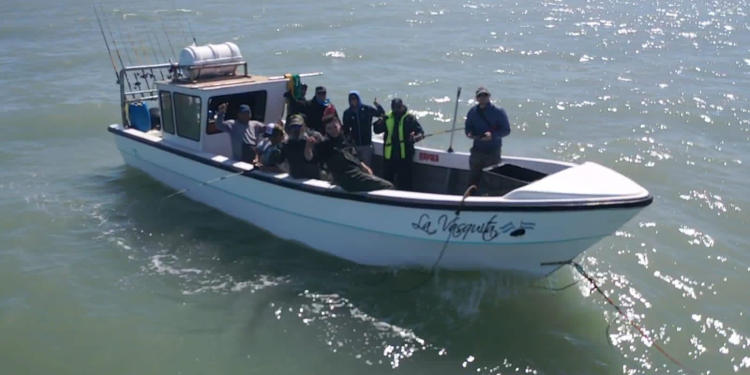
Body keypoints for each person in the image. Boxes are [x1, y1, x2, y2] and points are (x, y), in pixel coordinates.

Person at [311, 115, 393, 192]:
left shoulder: (346, 140)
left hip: (357, 173)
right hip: (346, 179)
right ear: (325, 130)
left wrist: (364, 167)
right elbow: (313, 160)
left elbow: (355, 157)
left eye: (335, 127)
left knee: (381, 181)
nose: (333, 131)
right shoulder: (324, 145)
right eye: (329, 128)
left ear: (339, 126)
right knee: (389, 186)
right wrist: (309, 145)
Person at [464, 86, 511, 189]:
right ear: (476, 98)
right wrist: (470, 134)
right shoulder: (472, 112)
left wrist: (492, 136)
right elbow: (468, 128)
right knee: (473, 178)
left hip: (493, 152)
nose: (483, 98)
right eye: (480, 96)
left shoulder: (498, 111)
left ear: (489, 96)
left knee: (492, 180)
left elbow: (506, 130)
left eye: (485, 95)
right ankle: (470, 198)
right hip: (477, 151)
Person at [373, 98, 424, 190]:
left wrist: (415, 138)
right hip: (389, 157)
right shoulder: (388, 117)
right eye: (394, 108)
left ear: (402, 107)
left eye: (398, 108)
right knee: (387, 182)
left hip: (404, 157)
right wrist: (380, 120)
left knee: (405, 183)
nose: (396, 111)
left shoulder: (410, 118)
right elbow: (376, 130)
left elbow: (421, 133)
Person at [342, 91, 385, 166]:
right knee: (355, 166)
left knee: (366, 167)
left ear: (358, 99)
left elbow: (381, 114)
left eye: (355, 98)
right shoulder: (347, 113)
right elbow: (346, 129)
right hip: (354, 145)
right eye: (351, 99)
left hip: (366, 144)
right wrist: (348, 143)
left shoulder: (367, 109)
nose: (353, 101)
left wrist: (377, 105)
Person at [282, 115, 322, 179]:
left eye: (298, 126)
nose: (296, 129)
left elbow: (310, 159)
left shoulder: (314, 137)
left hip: (312, 180)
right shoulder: (287, 143)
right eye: (293, 126)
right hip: (295, 178)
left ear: (304, 126)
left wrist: (308, 145)